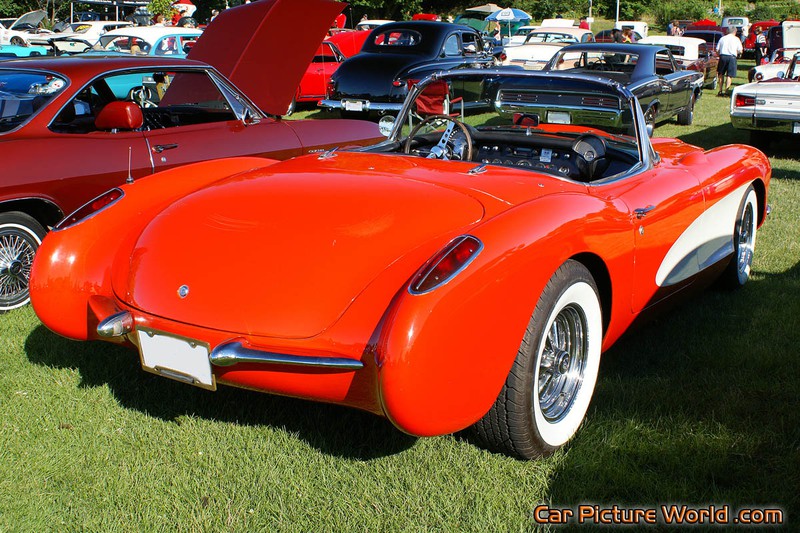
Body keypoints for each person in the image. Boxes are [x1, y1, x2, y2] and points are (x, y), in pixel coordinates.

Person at [716, 25, 743, 96]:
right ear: (735, 32)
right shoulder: (736, 39)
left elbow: (717, 49)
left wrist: (719, 54)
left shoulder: (722, 38)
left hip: (723, 56)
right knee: (729, 75)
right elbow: (740, 50)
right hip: (732, 57)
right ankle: (726, 91)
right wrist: (739, 54)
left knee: (721, 74)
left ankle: (720, 90)